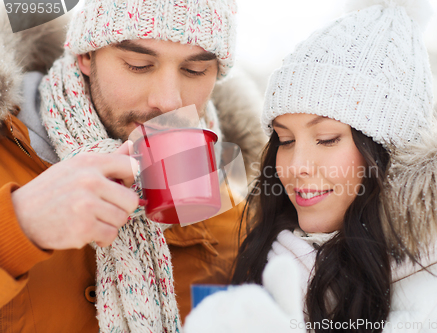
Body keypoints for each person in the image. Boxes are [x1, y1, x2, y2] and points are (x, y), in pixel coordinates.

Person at [183, 0, 437, 332]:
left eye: (327, 138)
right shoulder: (276, 262)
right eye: (286, 141)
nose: (296, 167)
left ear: (388, 150)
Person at [0, 0, 266, 331]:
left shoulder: (231, 204)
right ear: (85, 55)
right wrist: (17, 227)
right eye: (138, 65)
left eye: (195, 70)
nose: (168, 101)